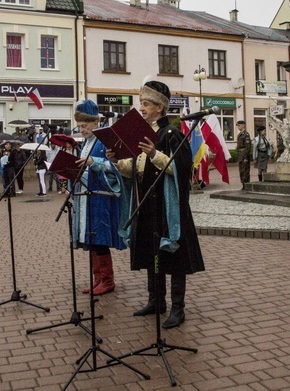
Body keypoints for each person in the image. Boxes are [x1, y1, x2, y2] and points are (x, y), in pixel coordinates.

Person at [109, 80, 205, 329]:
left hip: (167, 207)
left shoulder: (172, 134)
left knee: (174, 259)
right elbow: (134, 170)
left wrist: (154, 154)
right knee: (152, 252)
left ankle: (177, 308)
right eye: (141, 103)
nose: (142, 108)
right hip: (147, 205)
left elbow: (183, 170)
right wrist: (117, 160)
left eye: (147, 104)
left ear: (160, 107)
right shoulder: (142, 133)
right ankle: (156, 301)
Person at [71, 99, 126, 295]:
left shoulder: (104, 141)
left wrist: (94, 162)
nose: (82, 129)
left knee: (99, 238)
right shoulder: (86, 142)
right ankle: (98, 278)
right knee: (91, 239)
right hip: (87, 196)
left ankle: (107, 280)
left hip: (100, 197)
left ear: (95, 123)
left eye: (84, 126)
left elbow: (115, 166)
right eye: (79, 126)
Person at [236, 120, 252, 190]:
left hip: (244, 155)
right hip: (240, 155)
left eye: (239, 125)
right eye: (237, 125)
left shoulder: (246, 134)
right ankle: (243, 184)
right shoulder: (240, 134)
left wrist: (246, 157)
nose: (238, 127)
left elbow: (248, 147)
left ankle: (246, 185)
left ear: (243, 125)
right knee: (241, 170)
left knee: (245, 170)